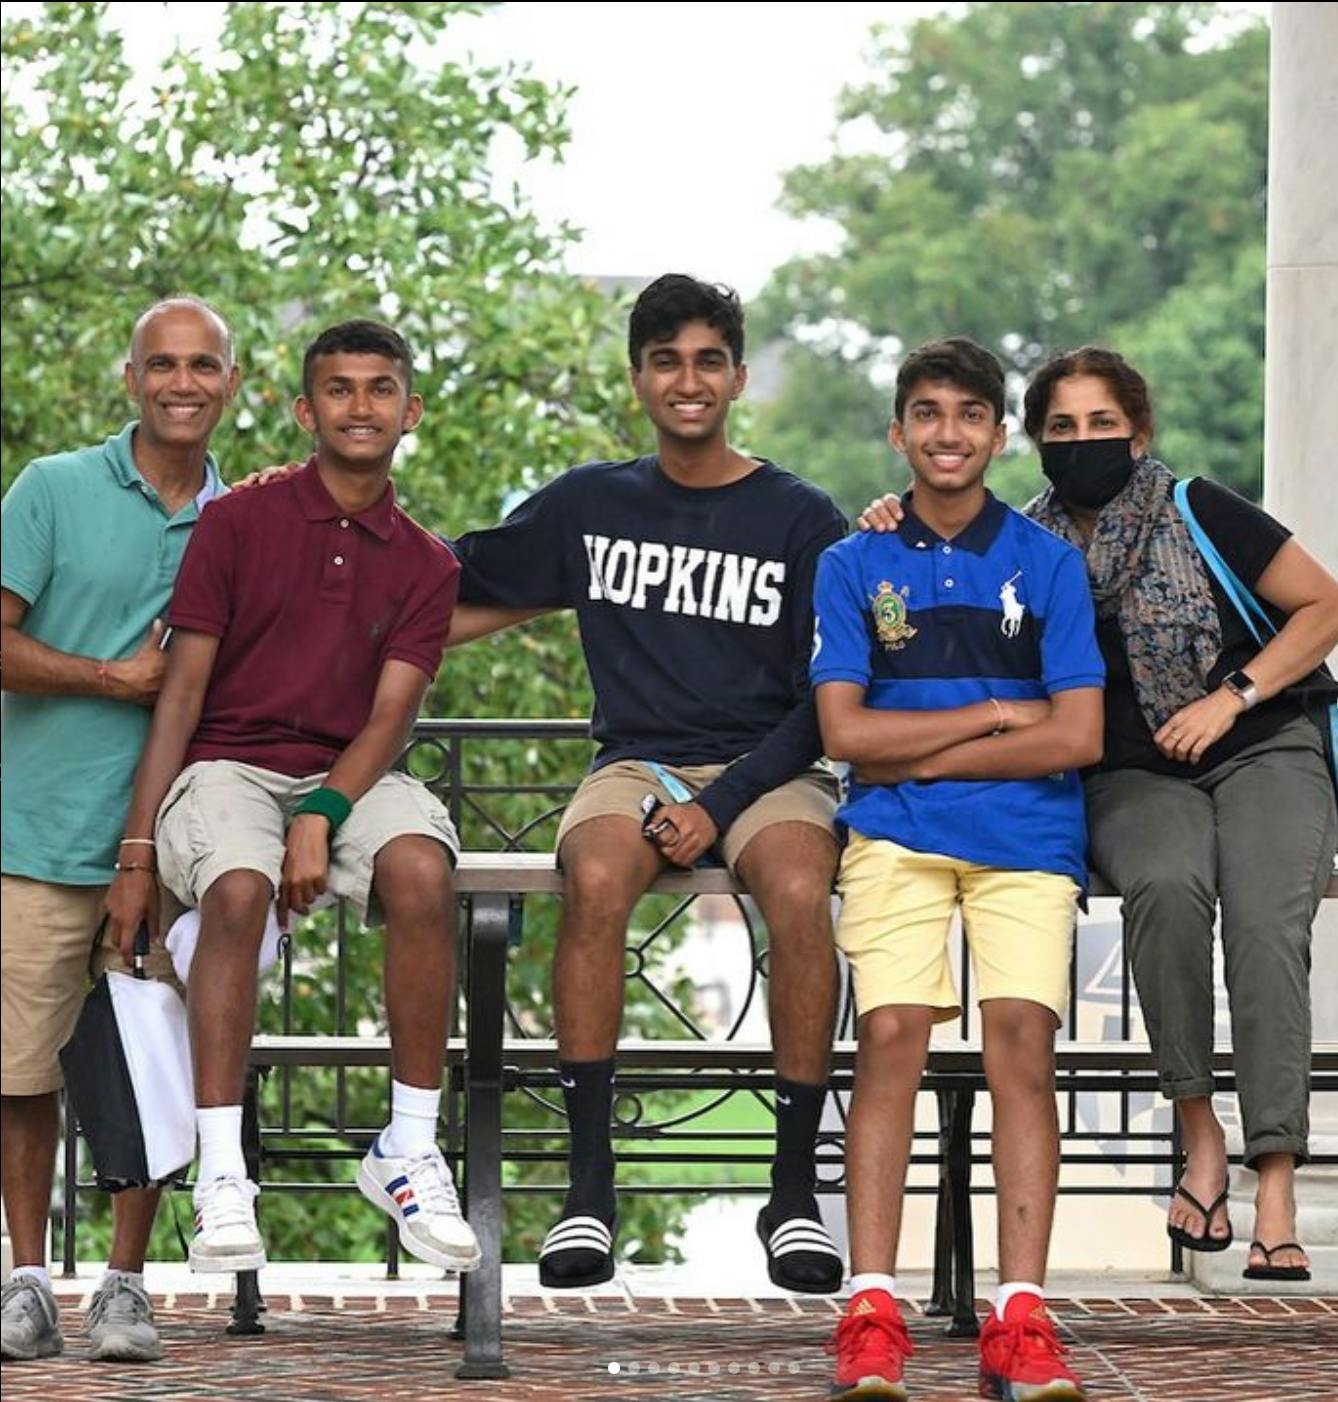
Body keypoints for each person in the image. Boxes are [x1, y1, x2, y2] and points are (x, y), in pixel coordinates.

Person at [862, 346, 1338, 1283]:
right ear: (1031, 442)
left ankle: (1274, 1177)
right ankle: (1199, 1135)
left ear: (1141, 433)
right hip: (1129, 771)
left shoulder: (1200, 510)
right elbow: (931, 558)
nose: (1083, 445)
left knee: (1264, 923)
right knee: (1166, 887)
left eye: (1102, 427)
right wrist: (888, 517)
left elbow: (1323, 606)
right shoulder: (1029, 545)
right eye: (1063, 430)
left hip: (1261, 744)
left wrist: (1232, 695)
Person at [448, 275, 849, 1292]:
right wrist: (309, 519)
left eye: (708, 359)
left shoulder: (802, 515)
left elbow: (829, 701)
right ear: (638, 378)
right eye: (666, 359)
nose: (688, 379)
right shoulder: (592, 502)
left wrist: (717, 805)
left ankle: (794, 1193)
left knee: (801, 895)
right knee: (591, 875)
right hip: (637, 762)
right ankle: (590, 1193)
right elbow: (449, 581)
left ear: (738, 376)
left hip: (770, 764)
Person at [102, 319, 481, 1282]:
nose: (363, 406)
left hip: (352, 769)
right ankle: (221, 1176)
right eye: (341, 390)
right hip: (228, 766)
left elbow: (392, 717)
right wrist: (139, 852)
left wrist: (322, 813)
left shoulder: (430, 564)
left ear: (412, 410)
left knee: (424, 872)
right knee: (237, 888)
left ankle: (405, 1147)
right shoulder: (239, 523)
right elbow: (182, 694)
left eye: (381, 388)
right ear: (305, 410)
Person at [816, 338, 1100, 1402]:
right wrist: (984, 715)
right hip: (893, 832)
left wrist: (917, 737)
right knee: (890, 1034)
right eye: (926, 413)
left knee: (1020, 1041)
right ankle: (872, 1303)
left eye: (969, 413)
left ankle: (1021, 1314)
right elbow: (846, 730)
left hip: (1029, 837)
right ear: (899, 432)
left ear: (997, 433)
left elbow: (1075, 733)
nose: (947, 432)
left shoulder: (1047, 562)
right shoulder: (855, 563)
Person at [1, 296, 237, 1363]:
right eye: (162, 365)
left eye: (203, 366)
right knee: (22, 1071)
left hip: (171, 847)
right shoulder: (50, 488)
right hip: (35, 831)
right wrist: (116, 678)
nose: (182, 383)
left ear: (229, 383)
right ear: (131, 378)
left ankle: (125, 1287)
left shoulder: (244, 522)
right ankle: (24, 1281)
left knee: (149, 1066)